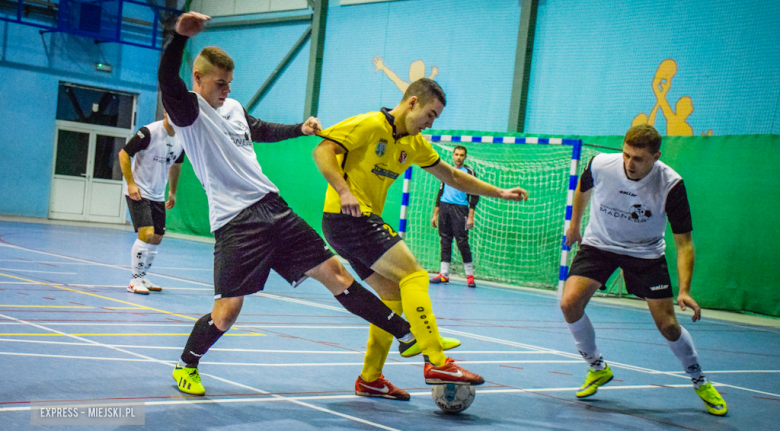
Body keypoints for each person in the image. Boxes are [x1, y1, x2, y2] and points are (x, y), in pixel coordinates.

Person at [160, 12, 424, 396]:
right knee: (227, 313)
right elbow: (168, 79)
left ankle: (404, 333)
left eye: (230, 84)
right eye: (220, 83)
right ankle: (187, 365)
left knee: (335, 273)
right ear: (198, 79)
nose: (226, 91)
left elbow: (259, 129)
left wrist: (298, 129)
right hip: (236, 223)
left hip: (273, 206)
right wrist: (179, 38)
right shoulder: (189, 111)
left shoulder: (232, 109)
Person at [313, 78, 529, 400]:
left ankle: (370, 378)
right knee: (414, 274)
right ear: (412, 102)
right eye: (430, 114)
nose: (430, 123)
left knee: (393, 296)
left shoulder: (414, 145)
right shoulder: (370, 124)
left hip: (353, 224)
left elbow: (453, 176)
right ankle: (437, 361)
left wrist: (498, 192)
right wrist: (344, 190)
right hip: (348, 218)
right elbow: (322, 150)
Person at [561, 124, 727, 416]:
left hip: (645, 253)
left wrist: (685, 289)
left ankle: (699, 380)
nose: (629, 163)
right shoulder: (600, 163)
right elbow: (583, 188)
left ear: (656, 156)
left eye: (638, 158)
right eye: (626, 154)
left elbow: (684, 243)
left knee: (668, 325)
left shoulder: (671, 184)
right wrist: (574, 226)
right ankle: (597, 367)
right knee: (569, 303)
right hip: (600, 243)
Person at [118, 112, 183, 295]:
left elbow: (176, 165)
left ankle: (143, 276)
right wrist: (131, 183)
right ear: (165, 112)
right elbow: (123, 154)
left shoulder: (182, 138)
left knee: (157, 236)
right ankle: (135, 280)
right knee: (146, 232)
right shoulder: (148, 132)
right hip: (139, 190)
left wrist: (172, 191)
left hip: (158, 193)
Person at [429, 145, 479, 288]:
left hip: (460, 210)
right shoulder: (447, 171)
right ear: (452, 155)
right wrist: (435, 214)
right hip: (444, 208)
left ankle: (469, 276)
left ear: (465, 157)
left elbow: (474, 195)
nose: (458, 157)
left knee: (462, 242)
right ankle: (444, 274)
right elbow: (440, 192)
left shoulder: (470, 172)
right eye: (456, 154)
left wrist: (470, 216)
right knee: (445, 241)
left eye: (461, 155)